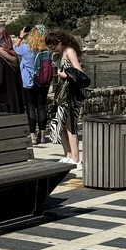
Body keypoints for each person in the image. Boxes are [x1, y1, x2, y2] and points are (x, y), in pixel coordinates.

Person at [45, 30, 84, 168]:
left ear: (60, 42)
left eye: (53, 46)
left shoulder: (69, 52)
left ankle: (76, 158)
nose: (52, 49)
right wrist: (55, 60)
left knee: (70, 125)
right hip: (62, 92)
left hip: (70, 92)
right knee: (60, 124)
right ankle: (67, 154)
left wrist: (63, 74)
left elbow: (79, 72)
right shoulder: (61, 53)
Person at [15, 25, 51, 143]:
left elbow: (14, 48)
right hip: (43, 82)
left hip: (29, 82)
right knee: (41, 107)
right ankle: (42, 136)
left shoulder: (26, 48)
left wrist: (21, 37)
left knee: (30, 107)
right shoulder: (47, 49)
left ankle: (33, 136)